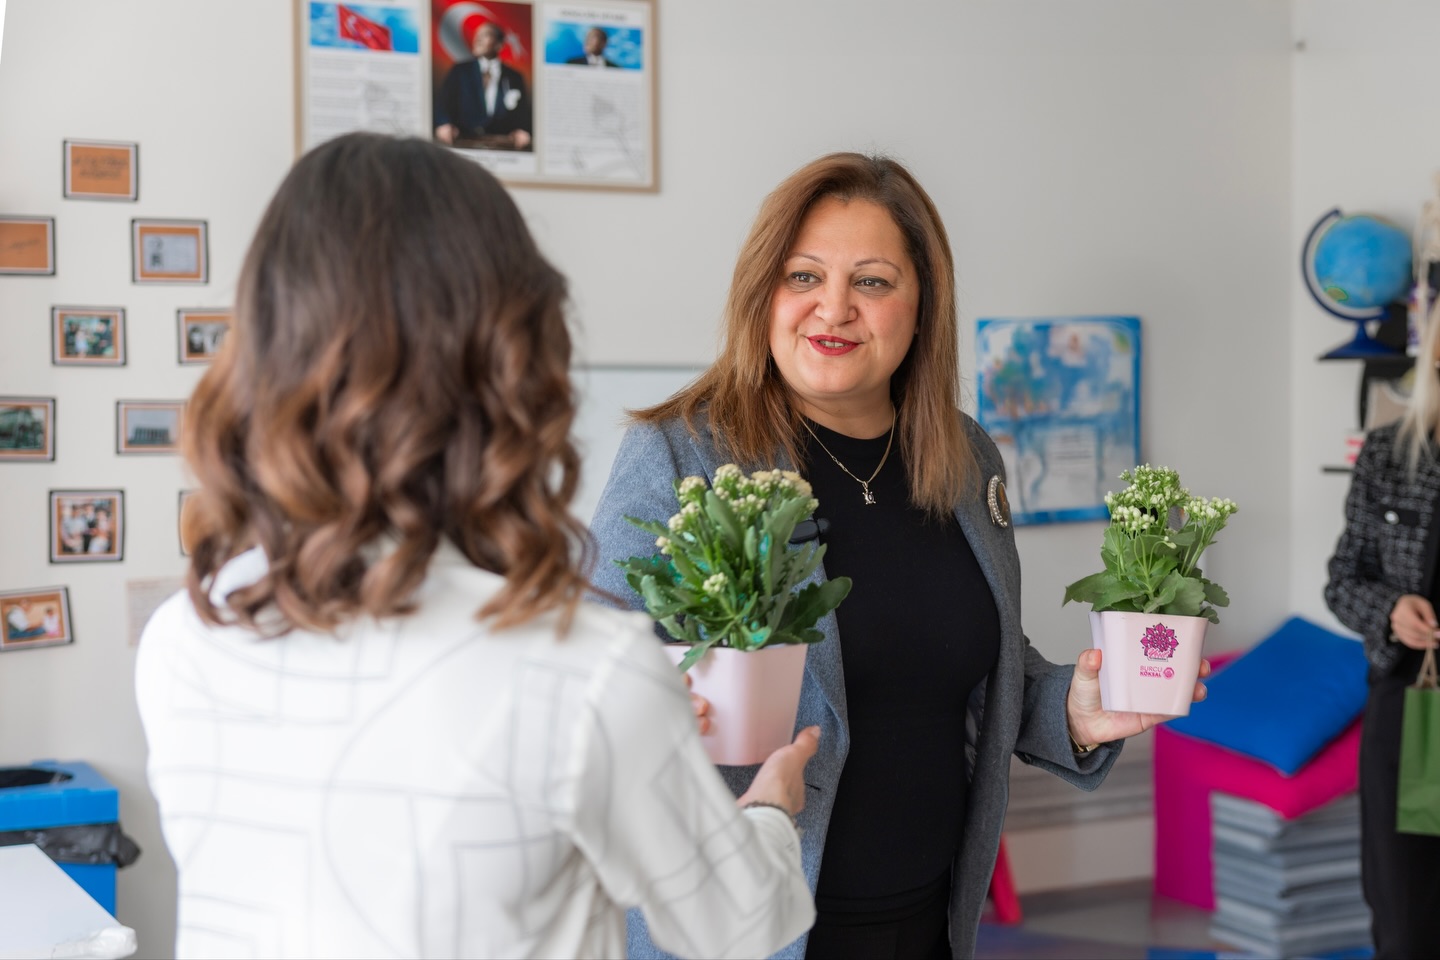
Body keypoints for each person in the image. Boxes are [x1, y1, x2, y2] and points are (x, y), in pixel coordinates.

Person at [135, 132, 818, 960]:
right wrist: (772, 809)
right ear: (518, 357)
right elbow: (739, 924)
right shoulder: (582, 670)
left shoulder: (186, 636)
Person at [588, 152, 1209, 960]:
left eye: (872, 282)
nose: (833, 309)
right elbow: (588, 674)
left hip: (927, 920)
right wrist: (655, 703)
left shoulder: (963, 457)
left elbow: (966, 660)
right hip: (741, 928)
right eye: (803, 276)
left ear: (922, 305)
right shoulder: (682, 451)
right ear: (762, 295)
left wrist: (1072, 712)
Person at [1324, 310, 1440, 958]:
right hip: (1416, 712)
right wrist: (1392, 609)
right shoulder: (1391, 454)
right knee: (1408, 907)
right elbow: (1343, 579)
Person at [433, 22, 532, 149]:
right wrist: (444, 124)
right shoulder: (460, 71)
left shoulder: (514, 77)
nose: (478, 39)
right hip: (464, 141)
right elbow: (443, 103)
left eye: (486, 35)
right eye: (477, 35)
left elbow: (522, 112)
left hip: (500, 144)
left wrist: (521, 130)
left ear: (499, 45)